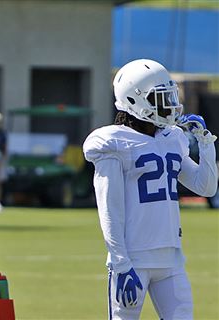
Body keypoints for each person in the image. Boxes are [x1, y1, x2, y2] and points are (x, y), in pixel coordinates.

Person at [83, 58, 218, 319]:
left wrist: (205, 143)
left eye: (169, 95)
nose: (169, 104)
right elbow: (109, 207)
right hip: (134, 259)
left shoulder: (171, 138)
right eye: (160, 97)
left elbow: (206, 187)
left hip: (171, 259)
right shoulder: (114, 142)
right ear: (134, 100)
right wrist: (121, 263)